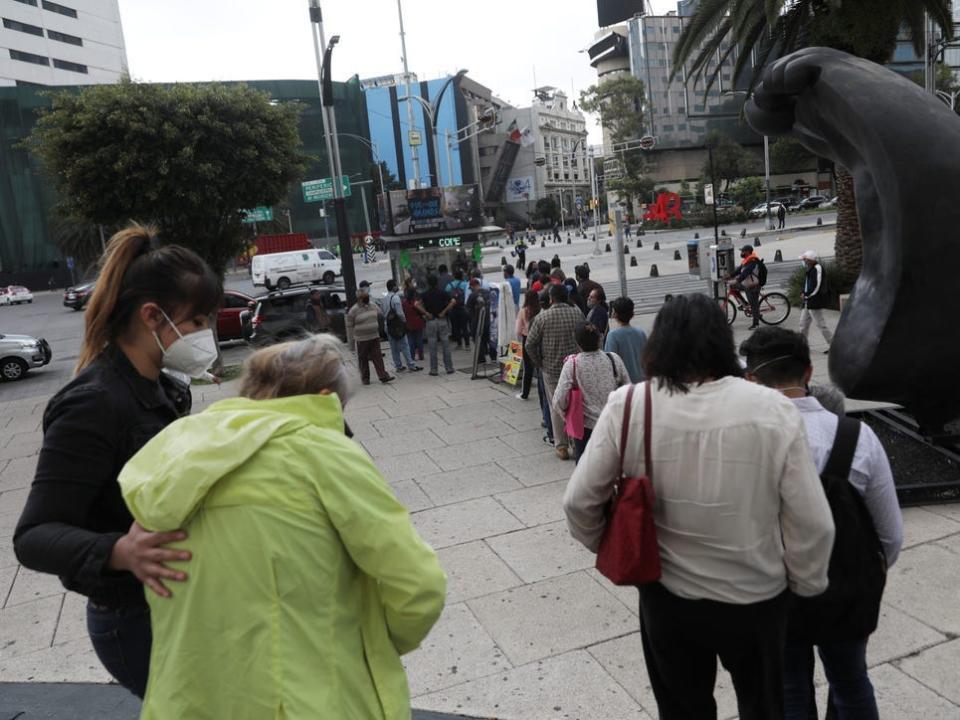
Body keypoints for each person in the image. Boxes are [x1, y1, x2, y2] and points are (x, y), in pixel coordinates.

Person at [118, 334, 446, 719]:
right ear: (324, 395)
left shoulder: (173, 451)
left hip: (189, 699)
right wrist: (372, 642)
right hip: (305, 700)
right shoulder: (322, 453)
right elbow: (418, 586)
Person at [563, 293, 835, 720]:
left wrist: (608, 544)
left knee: (683, 710)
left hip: (669, 597)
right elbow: (814, 524)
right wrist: (803, 585)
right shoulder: (772, 408)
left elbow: (579, 502)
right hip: (756, 597)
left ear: (659, 346)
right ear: (722, 344)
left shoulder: (631, 405)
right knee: (765, 706)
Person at [13, 223, 222, 698]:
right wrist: (120, 552)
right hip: (135, 621)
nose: (205, 335)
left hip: (176, 609)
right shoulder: (92, 403)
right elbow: (34, 537)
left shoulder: (166, 387)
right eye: (197, 322)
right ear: (153, 316)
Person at [740, 328, 902, 720]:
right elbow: (891, 536)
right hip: (846, 588)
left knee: (790, 687)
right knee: (851, 683)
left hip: (776, 592)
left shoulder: (744, 443)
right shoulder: (857, 436)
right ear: (809, 372)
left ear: (751, 381)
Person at [553, 321, 629, 461]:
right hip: (613, 423)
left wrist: (566, 416)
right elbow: (629, 389)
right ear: (599, 338)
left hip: (585, 427)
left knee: (585, 469)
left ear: (577, 342)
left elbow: (558, 400)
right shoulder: (613, 358)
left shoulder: (572, 364)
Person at [525, 283, 583, 460]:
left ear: (551, 299)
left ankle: (561, 446)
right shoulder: (577, 313)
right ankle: (576, 441)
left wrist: (539, 363)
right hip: (574, 367)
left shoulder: (543, 317)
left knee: (556, 406)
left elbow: (530, 344)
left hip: (551, 368)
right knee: (575, 403)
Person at [346, 281, 394, 385]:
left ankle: (383, 376)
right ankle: (365, 378)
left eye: (367, 296)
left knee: (377, 357)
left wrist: (379, 329)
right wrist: (351, 344)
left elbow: (380, 315)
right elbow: (349, 326)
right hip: (362, 339)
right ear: (359, 299)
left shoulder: (372, 305)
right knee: (363, 359)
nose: (367, 299)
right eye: (364, 297)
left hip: (374, 336)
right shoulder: (353, 310)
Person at [418, 275, 456, 375]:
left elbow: (416, 304)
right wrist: (444, 311)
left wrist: (426, 313)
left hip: (431, 321)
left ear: (428, 283)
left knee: (432, 346)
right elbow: (453, 301)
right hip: (442, 319)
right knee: (446, 345)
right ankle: (449, 368)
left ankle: (434, 369)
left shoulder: (425, 294)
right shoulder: (442, 292)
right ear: (437, 283)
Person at [604, 296, 648, 383]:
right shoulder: (641, 333)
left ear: (615, 314)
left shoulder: (613, 335)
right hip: (642, 382)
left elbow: (610, 362)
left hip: (625, 384)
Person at [798, 250, 834, 353]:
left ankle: (833, 345)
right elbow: (807, 284)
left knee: (821, 325)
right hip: (808, 301)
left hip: (814, 301)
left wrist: (807, 294)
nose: (803, 261)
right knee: (803, 324)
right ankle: (803, 346)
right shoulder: (809, 268)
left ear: (810, 260)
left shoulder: (817, 268)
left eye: (805, 259)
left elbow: (816, 285)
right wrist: (803, 292)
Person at [384, 279, 421, 373]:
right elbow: (400, 313)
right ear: (393, 287)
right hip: (397, 326)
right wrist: (404, 322)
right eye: (396, 285)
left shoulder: (385, 298)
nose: (398, 287)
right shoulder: (396, 298)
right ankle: (411, 365)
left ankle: (398, 366)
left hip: (388, 325)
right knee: (404, 345)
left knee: (394, 347)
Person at [514, 288, 541, 400]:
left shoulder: (523, 311)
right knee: (540, 366)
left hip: (527, 339)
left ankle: (525, 393)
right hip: (539, 339)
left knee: (527, 367)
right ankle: (542, 391)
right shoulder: (540, 309)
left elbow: (518, 330)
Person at [729, 244, 763, 329]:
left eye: (743, 251)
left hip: (753, 285)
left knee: (754, 305)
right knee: (733, 287)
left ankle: (756, 324)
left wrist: (736, 280)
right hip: (746, 283)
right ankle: (744, 303)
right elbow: (738, 270)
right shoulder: (746, 260)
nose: (741, 253)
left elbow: (744, 274)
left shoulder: (752, 261)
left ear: (747, 252)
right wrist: (729, 276)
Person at [466, 278, 493, 363]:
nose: (471, 290)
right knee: (490, 339)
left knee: (478, 340)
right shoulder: (488, 293)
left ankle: (481, 359)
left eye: (471, 288)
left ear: (473, 286)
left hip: (477, 322)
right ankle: (494, 357)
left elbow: (468, 310)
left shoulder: (472, 295)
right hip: (489, 320)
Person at [445, 270, 470, 349]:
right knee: (465, 327)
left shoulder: (449, 285)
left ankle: (459, 344)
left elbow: (446, 295)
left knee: (456, 327)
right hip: (463, 308)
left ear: (454, 276)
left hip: (453, 309)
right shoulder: (465, 284)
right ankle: (467, 344)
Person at [402, 286, 426, 362]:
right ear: (414, 294)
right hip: (418, 323)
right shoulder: (416, 302)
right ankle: (421, 355)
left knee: (410, 341)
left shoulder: (404, 303)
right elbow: (422, 312)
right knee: (419, 339)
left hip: (409, 324)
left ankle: (411, 356)